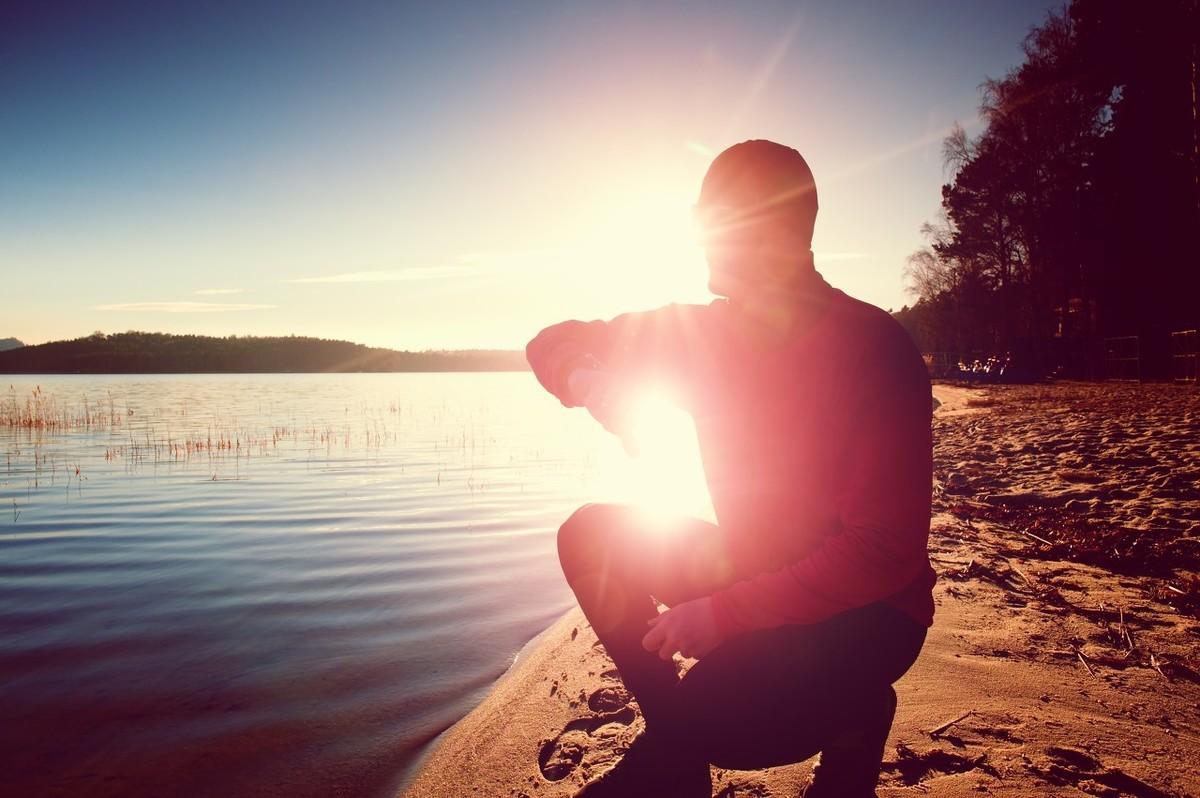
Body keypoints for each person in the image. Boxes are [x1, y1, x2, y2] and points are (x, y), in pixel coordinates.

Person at [525, 140, 935, 798]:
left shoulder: (873, 348)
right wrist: (591, 383)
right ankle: (680, 757)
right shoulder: (701, 334)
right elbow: (550, 341)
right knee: (590, 536)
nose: (698, 235)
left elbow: (883, 553)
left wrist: (724, 613)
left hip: (870, 615)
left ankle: (854, 714)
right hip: (759, 567)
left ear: (766, 228)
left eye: (709, 218)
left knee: (719, 724)